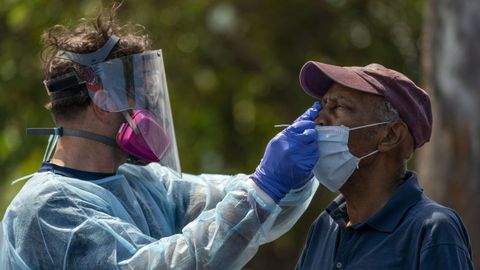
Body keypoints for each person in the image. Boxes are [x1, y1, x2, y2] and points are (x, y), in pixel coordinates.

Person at [0, 6, 321, 270]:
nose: (149, 110)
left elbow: (247, 211)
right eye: (139, 96)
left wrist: (292, 174)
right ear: (103, 100)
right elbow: (163, 265)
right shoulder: (47, 209)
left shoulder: (143, 182)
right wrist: (262, 190)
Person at [295, 61, 474, 269]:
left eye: (338, 107)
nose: (318, 120)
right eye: (323, 105)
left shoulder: (432, 230)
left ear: (390, 135)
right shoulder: (324, 227)